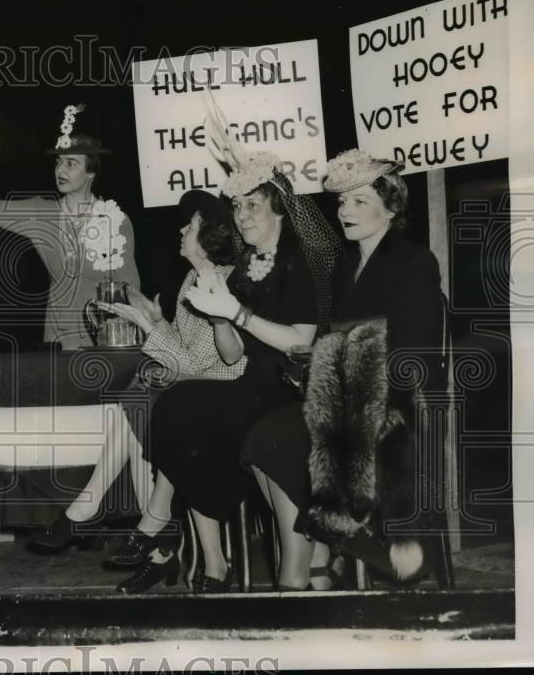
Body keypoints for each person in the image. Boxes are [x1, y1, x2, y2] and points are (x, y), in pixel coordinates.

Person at [122, 151, 341, 594]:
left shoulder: (303, 262)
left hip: (300, 387)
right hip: (256, 385)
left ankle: (297, 565)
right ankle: (200, 547)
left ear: (278, 208)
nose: (241, 217)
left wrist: (235, 313)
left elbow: (300, 341)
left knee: (263, 435)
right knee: (176, 407)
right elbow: (229, 355)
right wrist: (220, 317)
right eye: (237, 207)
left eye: (251, 206)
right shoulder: (245, 267)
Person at [241, 150, 445, 589]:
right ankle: (336, 543)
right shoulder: (345, 266)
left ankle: (325, 553)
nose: (345, 212)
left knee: (278, 438)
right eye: (341, 203)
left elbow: (413, 355)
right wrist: (315, 364)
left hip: (391, 403)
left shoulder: (415, 263)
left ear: (391, 207)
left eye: (359, 202)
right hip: (341, 399)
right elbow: (337, 340)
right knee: (260, 438)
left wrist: (333, 366)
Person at [29, 190, 247, 571]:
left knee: (137, 399)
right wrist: (157, 321)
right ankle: (135, 524)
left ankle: (97, 512)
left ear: (209, 235)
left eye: (190, 225)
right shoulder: (192, 280)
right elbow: (183, 350)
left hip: (221, 395)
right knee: (135, 399)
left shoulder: (223, 282)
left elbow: (197, 363)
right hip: (191, 387)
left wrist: (147, 325)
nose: (181, 229)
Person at [0, 103, 140, 349]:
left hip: (106, 342)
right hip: (60, 343)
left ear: (91, 172)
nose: (60, 169)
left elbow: (131, 288)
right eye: (58, 162)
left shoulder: (117, 220)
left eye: (71, 163)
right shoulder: (43, 212)